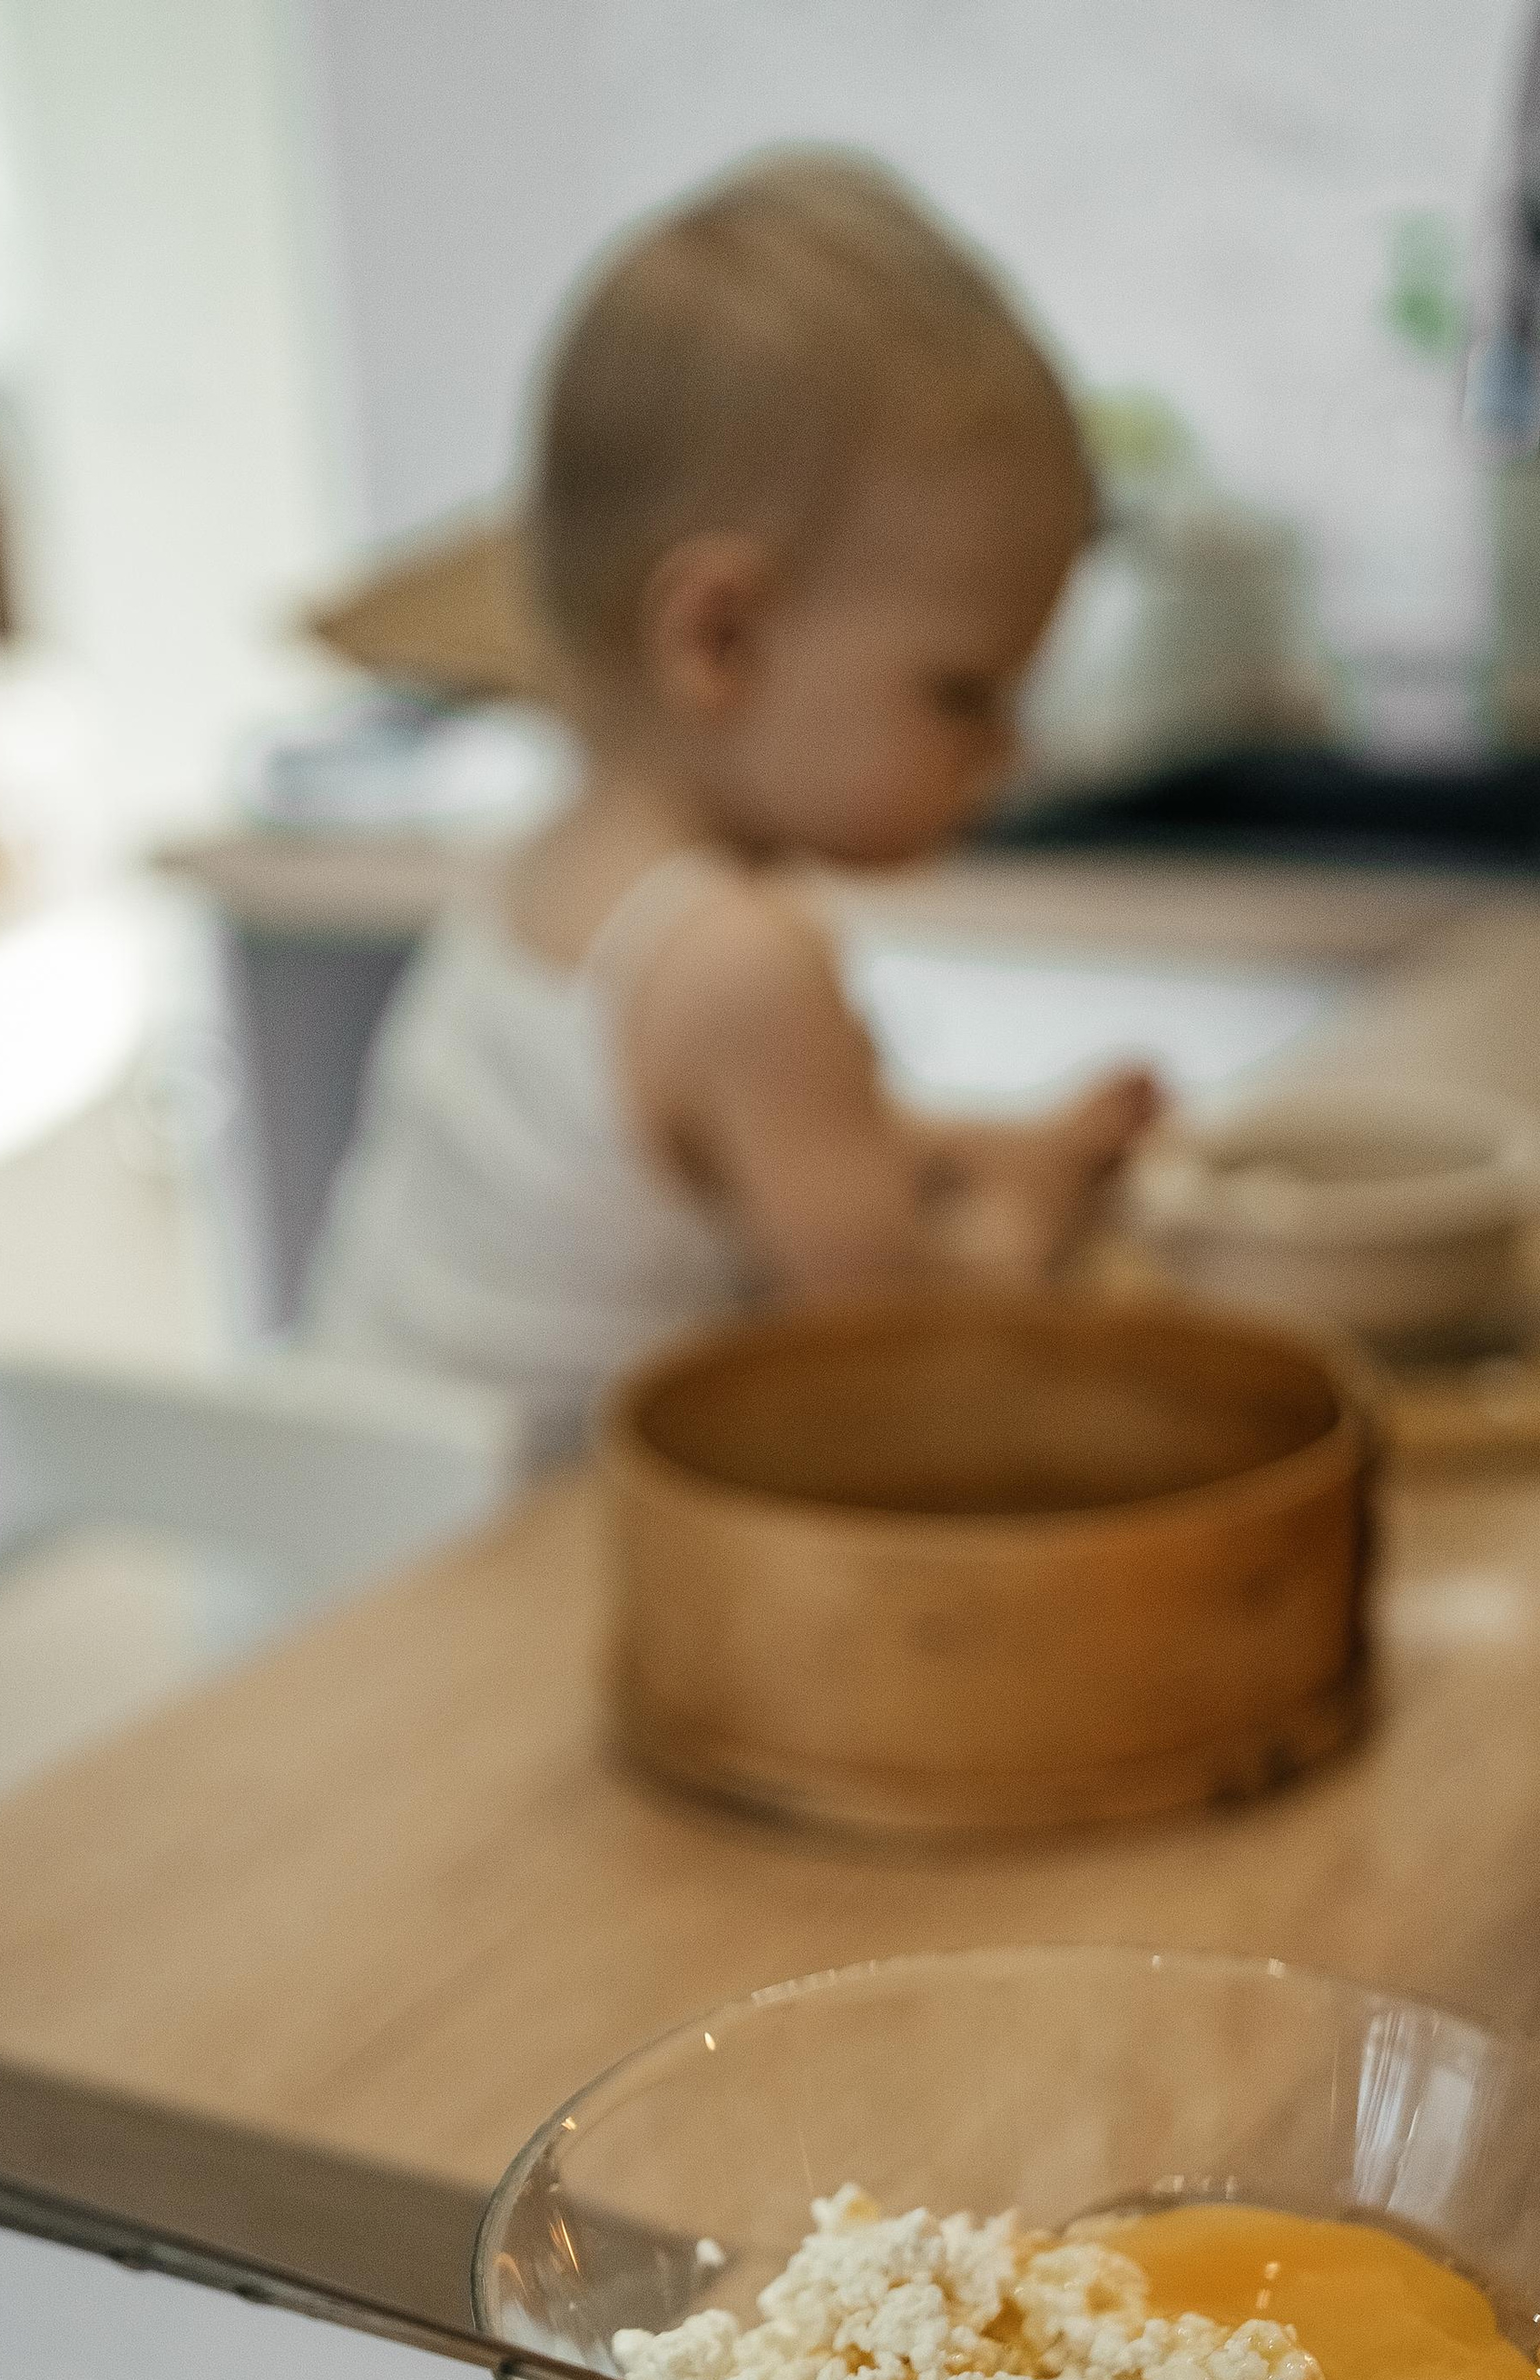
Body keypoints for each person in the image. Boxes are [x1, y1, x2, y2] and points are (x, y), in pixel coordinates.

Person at [298, 152, 1163, 1452]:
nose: (1012, 754)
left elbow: (739, 1159)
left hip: (340, 1546)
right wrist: (1037, 1230)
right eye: (966, 692)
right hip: (498, 1607)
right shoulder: (742, 965)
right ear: (722, 637)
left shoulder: (552, 873)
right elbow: (903, 1367)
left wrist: (996, 1153)